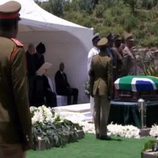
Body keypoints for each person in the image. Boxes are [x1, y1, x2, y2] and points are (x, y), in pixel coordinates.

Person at [0, 1, 32, 158]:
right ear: (15, 25)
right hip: (8, 133)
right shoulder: (15, 50)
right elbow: (21, 97)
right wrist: (27, 133)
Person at [89, 37, 113, 140]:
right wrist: (110, 91)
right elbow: (110, 77)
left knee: (96, 110)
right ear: (106, 47)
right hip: (104, 86)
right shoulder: (108, 59)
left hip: (95, 86)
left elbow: (91, 75)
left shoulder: (94, 59)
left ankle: (97, 131)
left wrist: (91, 88)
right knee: (104, 111)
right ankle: (103, 133)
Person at [87, 33, 100, 116]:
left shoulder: (98, 51)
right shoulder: (92, 52)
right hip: (94, 77)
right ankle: (93, 114)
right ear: (94, 42)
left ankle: (97, 113)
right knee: (93, 97)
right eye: (97, 40)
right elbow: (89, 66)